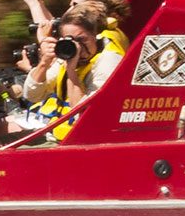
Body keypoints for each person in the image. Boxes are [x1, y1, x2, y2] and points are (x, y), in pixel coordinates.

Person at [24, 9, 122, 140]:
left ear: (95, 35)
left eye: (82, 39)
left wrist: (71, 70)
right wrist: (44, 62)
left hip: (80, 140)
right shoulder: (66, 55)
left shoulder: (109, 61)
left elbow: (85, 115)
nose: (77, 46)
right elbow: (32, 95)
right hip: (56, 132)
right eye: (69, 39)